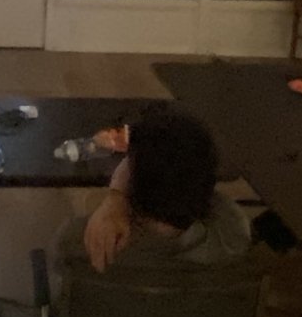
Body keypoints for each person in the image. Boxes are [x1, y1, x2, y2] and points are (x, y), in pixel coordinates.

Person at [62, 105, 252, 273]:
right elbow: (211, 195)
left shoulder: (80, 241)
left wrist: (115, 198)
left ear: (133, 185)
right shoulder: (232, 237)